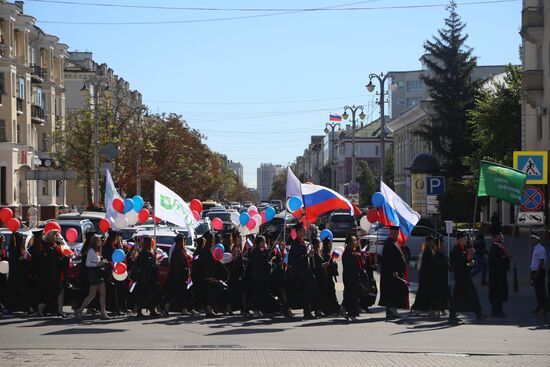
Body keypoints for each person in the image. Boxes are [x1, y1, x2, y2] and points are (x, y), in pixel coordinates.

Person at [449, 232, 484, 323]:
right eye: (465, 238)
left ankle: (452, 314)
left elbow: (466, 262)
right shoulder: (456, 250)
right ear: (460, 240)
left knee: (458, 297)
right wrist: (469, 261)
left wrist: (470, 260)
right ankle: (479, 314)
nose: (466, 240)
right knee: (472, 295)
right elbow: (460, 264)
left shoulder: (462, 248)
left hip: (463, 277)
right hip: (462, 277)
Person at [287, 222, 319, 319]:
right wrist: (307, 255)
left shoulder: (302, 243)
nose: (305, 232)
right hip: (300, 273)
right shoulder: (296, 244)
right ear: (298, 232)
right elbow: (294, 260)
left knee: (305, 292)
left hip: (304, 271)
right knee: (304, 292)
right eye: (302, 231)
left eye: (305, 230)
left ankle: (308, 310)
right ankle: (307, 311)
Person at [75, 235, 110, 320]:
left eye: (99, 241)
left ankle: (103, 312)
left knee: (103, 293)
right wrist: (97, 264)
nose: (99, 242)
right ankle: (79, 310)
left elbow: (95, 261)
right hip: (93, 274)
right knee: (92, 294)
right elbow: (87, 263)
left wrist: (102, 262)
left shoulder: (97, 251)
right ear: (94, 242)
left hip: (98, 273)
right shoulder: (91, 250)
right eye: (98, 241)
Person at [378, 226, 409, 320]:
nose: (397, 234)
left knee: (394, 292)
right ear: (392, 232)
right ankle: (391, 311)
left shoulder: (393, 242)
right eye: (395, 232)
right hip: (391, 274)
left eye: (397, 232)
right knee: (391, 292)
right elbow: (389, 260)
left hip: (395, 273)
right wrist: (393, 271)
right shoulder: (389, 243)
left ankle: (392, 310)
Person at [164, 233, 195, 316]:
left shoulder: (180, 251)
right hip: (179, 276)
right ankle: (169, 309)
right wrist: (185, 271)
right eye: (183, 240)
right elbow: (179, 265)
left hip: (178, 276)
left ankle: (183, 309)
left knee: (179, 294)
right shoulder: (178, 252)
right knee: (178, 294)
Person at [133, 237, 161, 318]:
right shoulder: (147, 254)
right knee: (150, 294)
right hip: (148, 277)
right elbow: (150, 266)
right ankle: (151, 311)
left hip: (142, 277)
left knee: (142, 294)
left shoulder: (141, 253)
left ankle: (140, 311)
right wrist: (155, 261)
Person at [7, 232, 33, 314]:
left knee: (15, 291)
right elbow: (22, 262)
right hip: (20, 274)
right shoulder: (19, 250)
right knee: (23, 291)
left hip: (13, 274)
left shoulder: (11, 249)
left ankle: (13, 308)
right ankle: (27, 308)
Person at [488, 232, 511, 317]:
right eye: (499, 237)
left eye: (501, 237)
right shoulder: (495, 248)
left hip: (500, 276)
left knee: (500, 293)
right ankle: (496, 310)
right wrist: (506, 258)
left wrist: (507, 258)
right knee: (496, 294)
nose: (501, 238)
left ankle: (498, 310)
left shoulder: (500, 248)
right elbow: (499, 261)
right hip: (496, 276)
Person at [411, 235, 435, 315]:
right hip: (425, 275)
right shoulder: (427, 251)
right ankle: (417, 308)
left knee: (425, 293)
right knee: (422, 292)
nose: (433, 242)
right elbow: (427, 264)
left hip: (426, 274)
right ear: (428, 242)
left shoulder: (429, 249)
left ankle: (425, 308)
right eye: (431, 241)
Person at [342, 234, 361, 320]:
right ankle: (349, 312)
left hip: (352, 276)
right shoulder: (348, 253)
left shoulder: (352, 252)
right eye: (354, 240)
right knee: (350, 294)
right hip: (349, 277)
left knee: (351, 294)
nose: (356, 242)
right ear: (349, 243)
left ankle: (347, 310)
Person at [320, 237, 340, 315]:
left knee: (330, 293)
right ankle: (332, 310)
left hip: (328, 278)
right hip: (326, 278)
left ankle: (333, 309)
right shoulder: (325, 254)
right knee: (330, 294)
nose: (331, 245)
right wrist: (333, 264)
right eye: (329, 243)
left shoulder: (327, 253)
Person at [431, 237, 449, 317]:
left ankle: (442, 308)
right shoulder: (436, 256)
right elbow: (438, 266)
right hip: (437, 278)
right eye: (441, 245)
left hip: (443, 278)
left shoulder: (442, 255)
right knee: (437, 295)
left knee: (443, 294)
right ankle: (435, 309)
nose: (443, 246)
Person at [529, 234, 546, 319]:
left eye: (532, 239)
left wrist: (536, 274)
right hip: (534, 271)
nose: (531, 241)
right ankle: (539, 307)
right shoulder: (535, 249)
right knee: (537, 291)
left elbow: (541, 262)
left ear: (537, 240)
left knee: (541, 291)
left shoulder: (541, 249)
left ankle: (542, 309)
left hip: (539, 272)